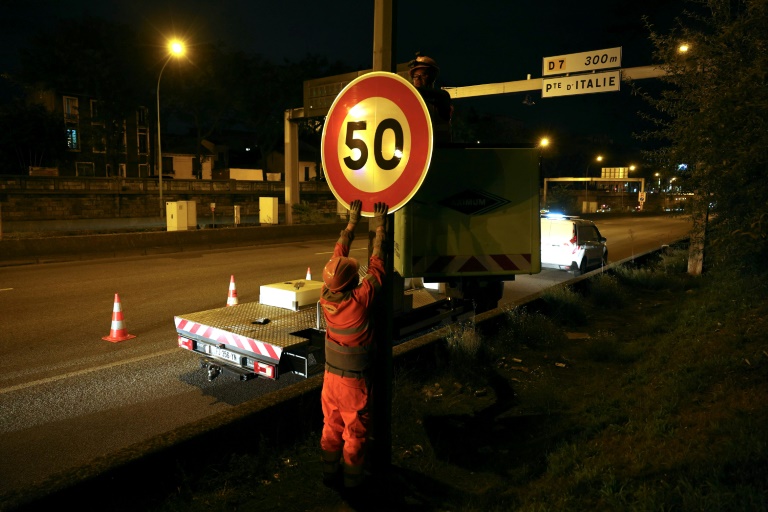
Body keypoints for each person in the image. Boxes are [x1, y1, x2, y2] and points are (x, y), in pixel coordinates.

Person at [319, 199, 389, 490]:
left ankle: (328, 472)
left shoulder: (326, 295)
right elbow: (377, 267)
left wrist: (351, 222)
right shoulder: (360, 301)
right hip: (353, 385)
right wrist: (381, 228)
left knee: (331, 426)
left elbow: (338, 255)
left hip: (330, 380)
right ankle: (353, 483)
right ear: (351, 283)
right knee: (355, 432)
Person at [408, 52, 453, 143]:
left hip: (441, 149)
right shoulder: (411, 100)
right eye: (415, 76)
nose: (418, 79)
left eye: (423, 75)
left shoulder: (442, 96)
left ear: (432, 77)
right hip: (419, 147)